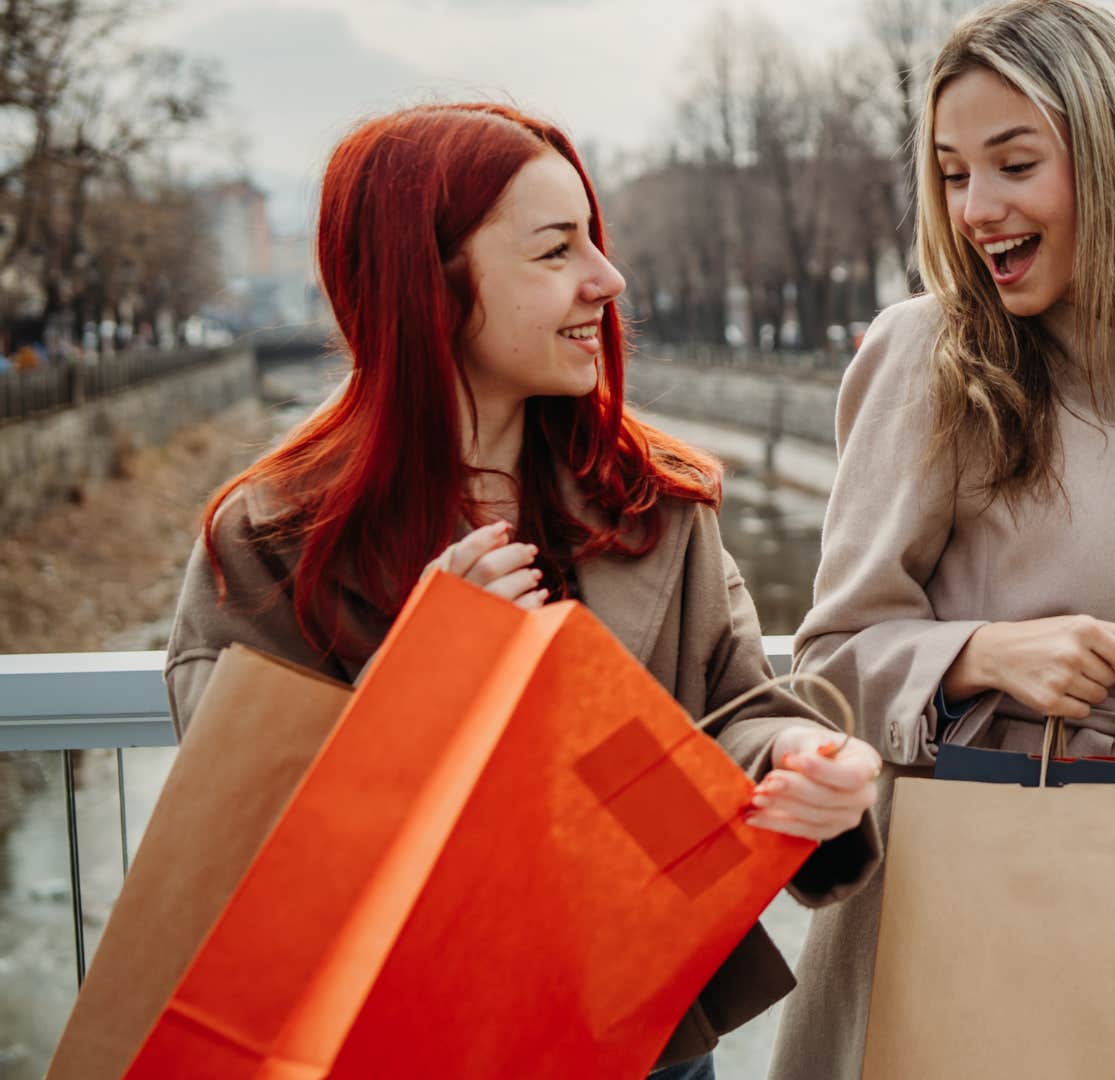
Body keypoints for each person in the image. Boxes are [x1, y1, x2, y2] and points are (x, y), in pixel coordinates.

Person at [163, 102, 883, 1079]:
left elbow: (725, 716)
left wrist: (795, 762)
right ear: (428, 286)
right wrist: (426, 676)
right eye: (556, 251)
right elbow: (237, 827)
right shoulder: (268, 539)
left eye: (596, 239)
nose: (608, 280)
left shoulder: (654, 505)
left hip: (635, 1031)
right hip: (384, 1042)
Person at [767, 2, 1115, 1074]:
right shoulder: (929, 354)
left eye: (1015, 164)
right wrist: (980, 655)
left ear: (1112, 157)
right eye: (955, 171)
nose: (977, 207)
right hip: (973, 875)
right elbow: (825, 666)